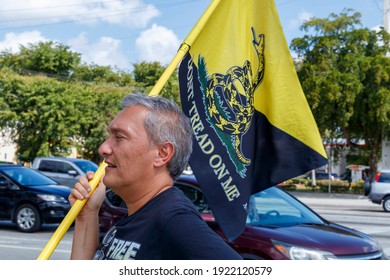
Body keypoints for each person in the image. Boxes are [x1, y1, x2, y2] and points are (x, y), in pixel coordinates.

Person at [69, 93, 242, 260]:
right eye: (109, 136)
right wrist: (87, 215)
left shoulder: (174, 219)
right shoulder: (141, 215)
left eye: (119, 137)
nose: (103, 148)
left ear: (162, 154)